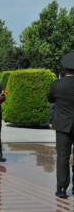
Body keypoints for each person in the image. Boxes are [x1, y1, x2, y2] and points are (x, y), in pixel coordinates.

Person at [47, 52, 74, 199]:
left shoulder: (57, 85)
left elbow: (50, 98)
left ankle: (62, 188)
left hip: (63, 125)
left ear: (64, 69)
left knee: (63, 157)